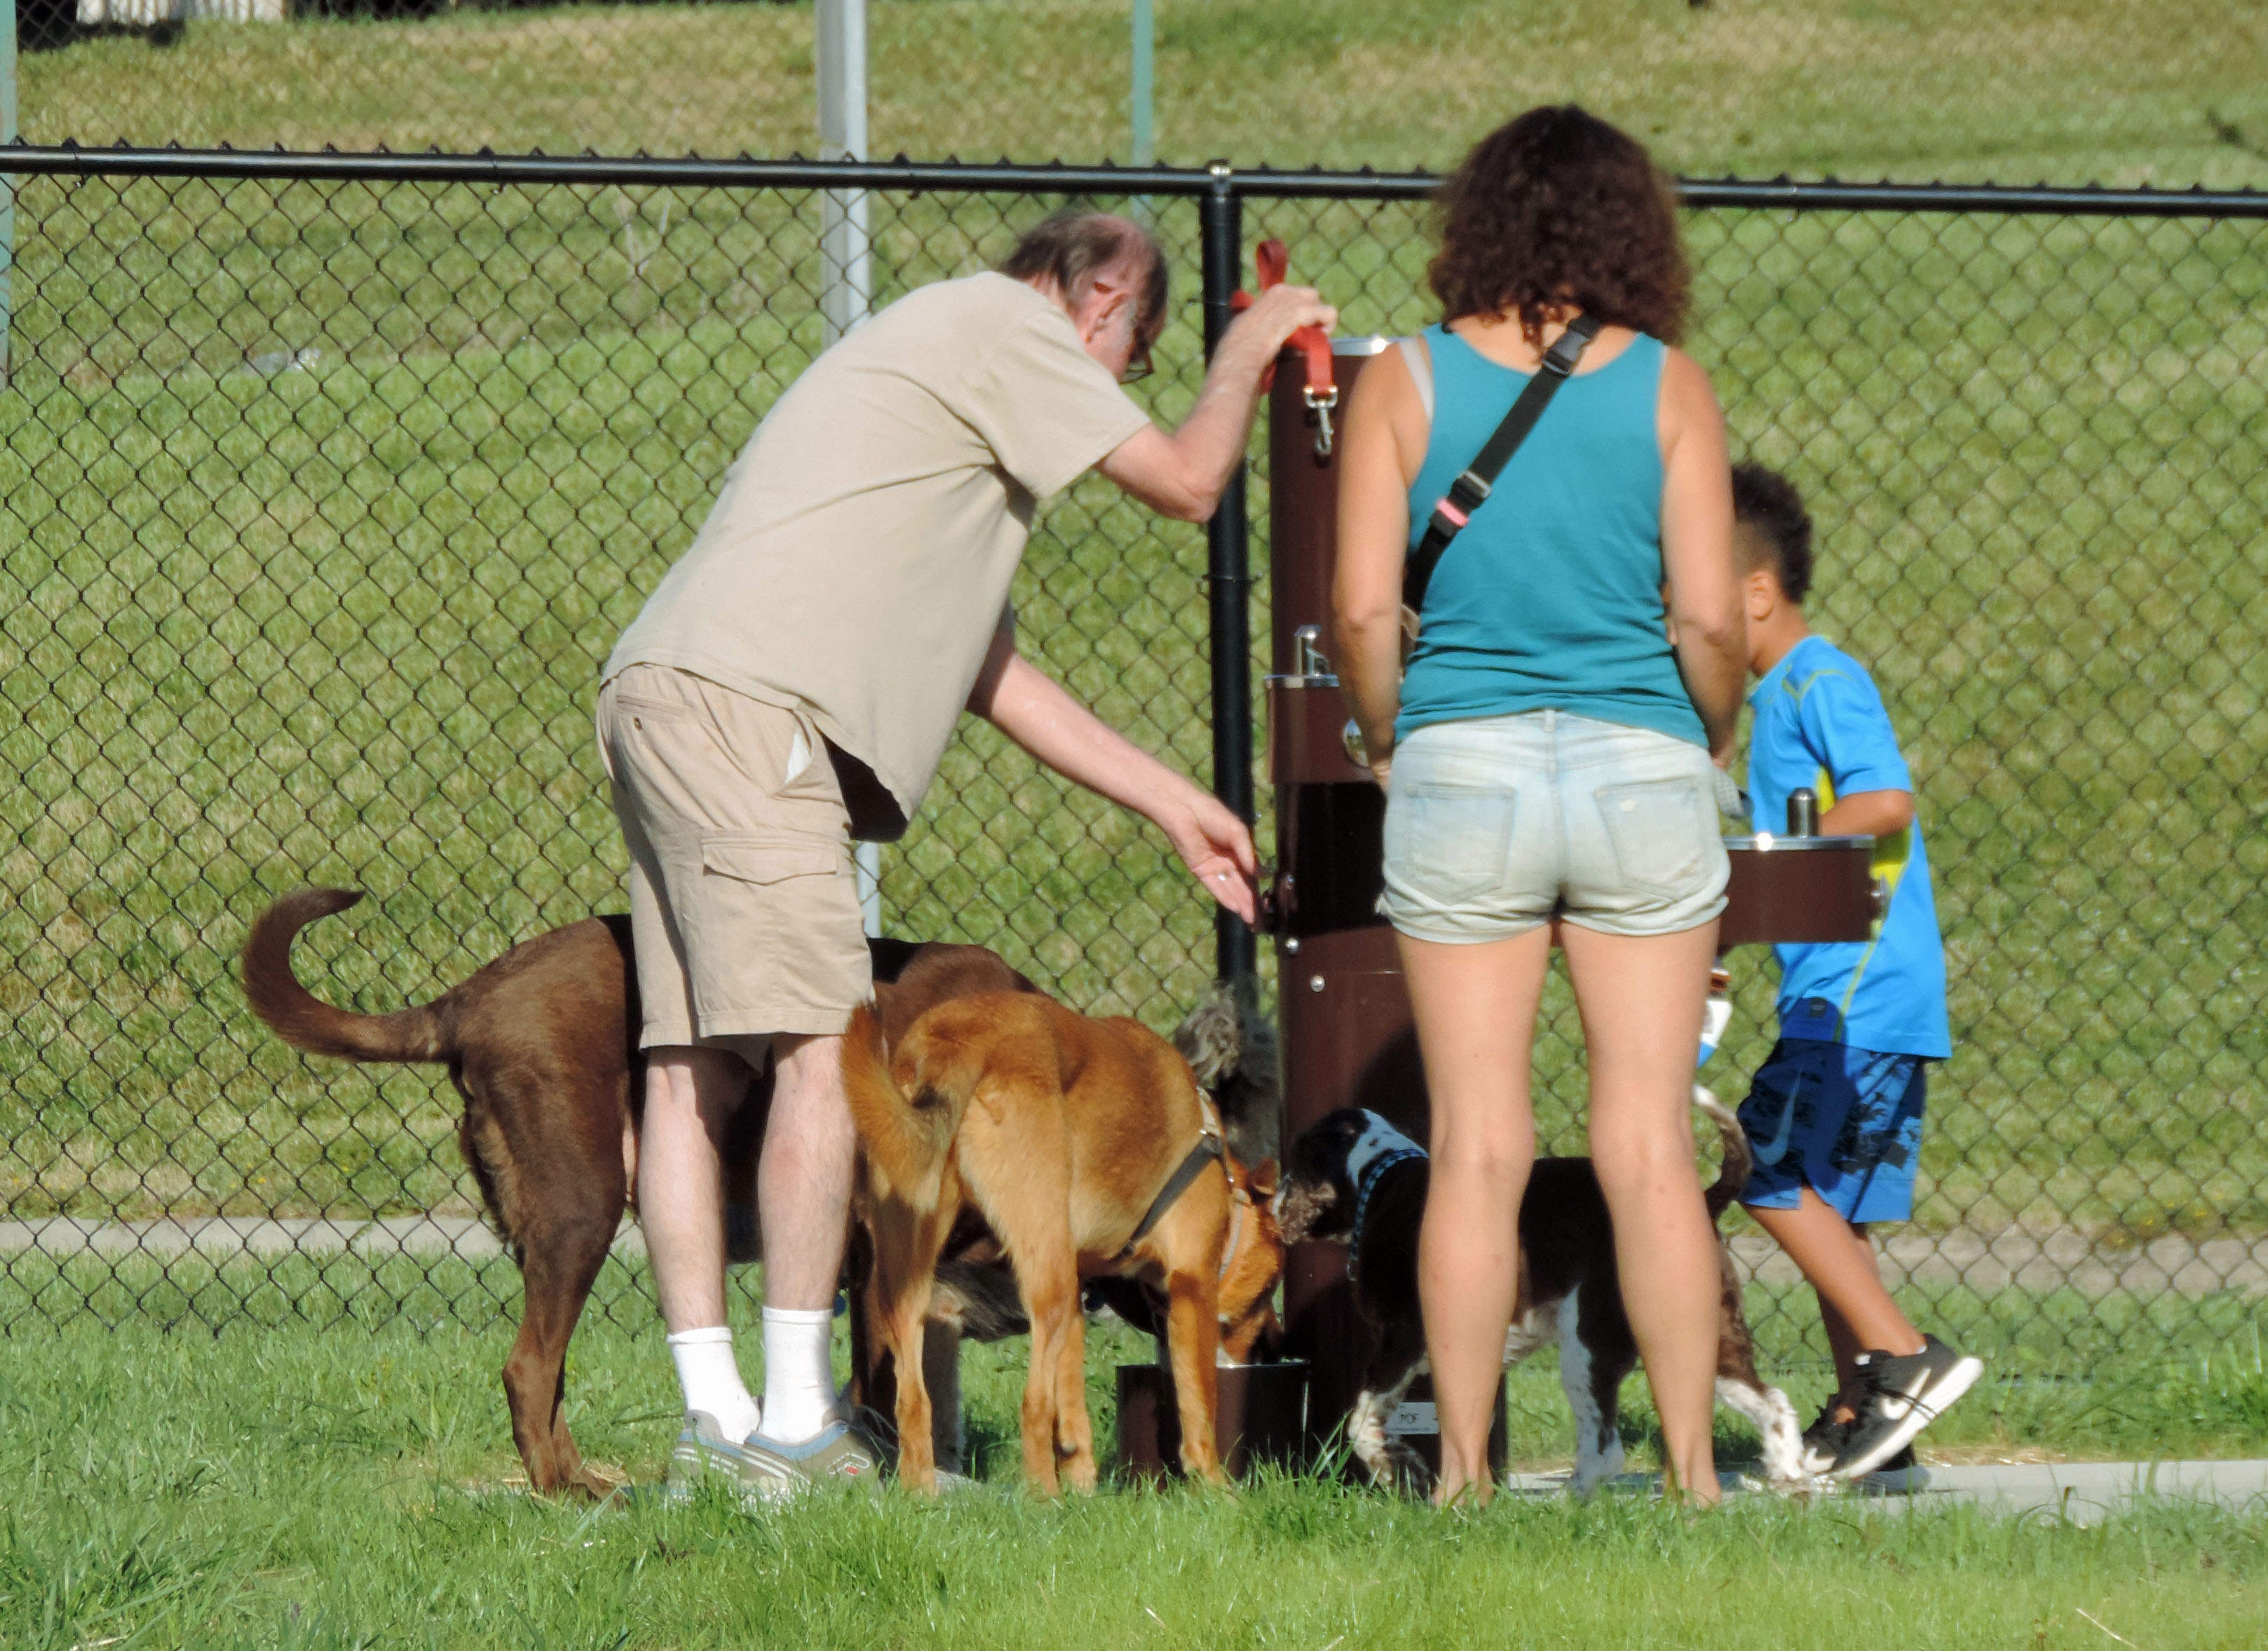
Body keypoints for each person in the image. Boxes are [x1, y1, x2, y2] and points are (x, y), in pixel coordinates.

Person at [595, 210, 1335, 1496]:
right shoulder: (1008, 325)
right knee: (828, 1057)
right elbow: (1188, 482)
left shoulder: (936, 372)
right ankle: (794, 1431)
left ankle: (718, 1430)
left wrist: (1171, 800)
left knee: (682, 1075)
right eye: (1132, 358)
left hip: (663, 685)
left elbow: (987, 671)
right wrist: (1256, 343)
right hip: (756, 708)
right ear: (1101, 298)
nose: (1113, 392)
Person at [1333, 105, 1746, 1507]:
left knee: (1482, 1143)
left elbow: (1356, 608)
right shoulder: (1671, 387)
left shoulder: (1402, 379)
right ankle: (1694, 1477)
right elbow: (1703, 612)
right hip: (1640, 767)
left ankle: (1457, 1475)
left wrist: (1395, 737)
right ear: (1635, 231)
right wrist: (1710, 728)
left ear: (1481, 223)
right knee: (1645, 1142)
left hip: (1463, 767)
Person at [1727, 462, 1981, 1486]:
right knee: (1830, 1202)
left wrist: (1766, 864)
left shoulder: (1818, 681)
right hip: (1849, 996)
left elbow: (1883, 803)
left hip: (1856, 994)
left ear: (1754, 590)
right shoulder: (1779, 696)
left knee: (1767, 1168)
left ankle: (1909, 1360)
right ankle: (1876, 1425)